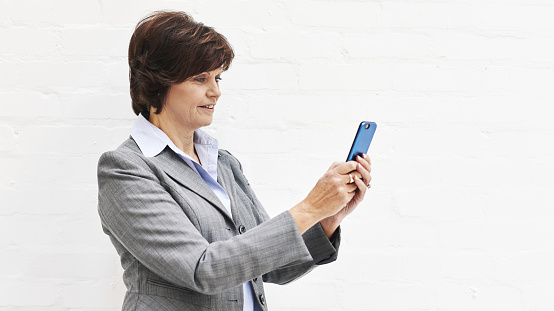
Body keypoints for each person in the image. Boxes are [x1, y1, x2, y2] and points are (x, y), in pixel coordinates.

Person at [97, 10, 372, 311]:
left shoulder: (223, 163)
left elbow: (272, 266)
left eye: (217, 77)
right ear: (158, 82)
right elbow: (203, 270)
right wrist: (310, 207)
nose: (215, 91)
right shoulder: (126, 169)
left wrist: (329, 217)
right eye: (200, 78)